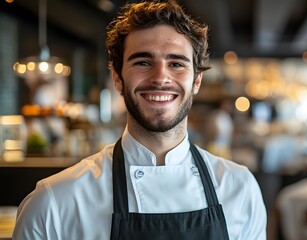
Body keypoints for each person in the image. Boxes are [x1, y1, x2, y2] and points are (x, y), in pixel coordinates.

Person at [12, 1, 267, 239]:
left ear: (196, 80)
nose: (160, 77)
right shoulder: (54, 203)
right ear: (117, 78)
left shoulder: (240, 189)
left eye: (176, 63)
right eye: (143, 62)